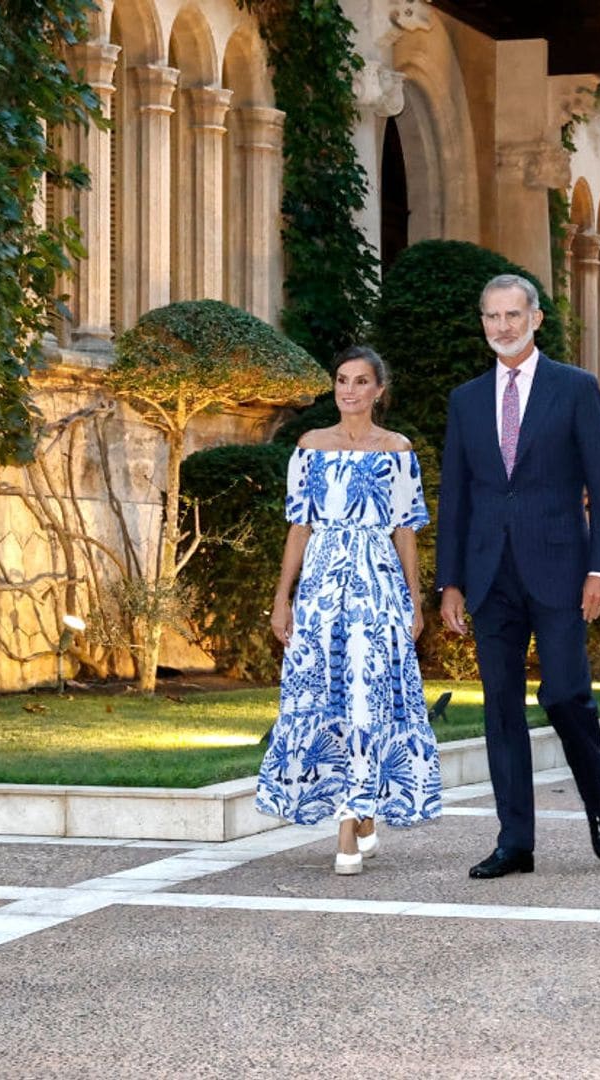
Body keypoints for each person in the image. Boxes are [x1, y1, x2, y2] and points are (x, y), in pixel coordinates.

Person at [436, 274, 600, 879]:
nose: (502, 326)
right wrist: (451, 581)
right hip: (490, 576)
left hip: (563, 572)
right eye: (492, 316)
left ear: (535, 319)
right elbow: (457, 496)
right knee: (500, 710)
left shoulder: (575, 389)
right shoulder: (466, 400)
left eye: (513, 315)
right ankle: (515, 841)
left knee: (567, 693)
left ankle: (598, 806)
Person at [255, 345, 442, 874]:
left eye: (361, 381)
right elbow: (299, 527)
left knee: (366, 696)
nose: (349, 390)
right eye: (342, 380)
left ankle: (348, 826)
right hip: (319, 589)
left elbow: (406, 529)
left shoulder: (397, 449)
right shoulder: (311, 446)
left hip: (377, 587)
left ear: (379, 391)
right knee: (323, 697)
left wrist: (414, 600)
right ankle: (358, 811)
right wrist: (281, 598)